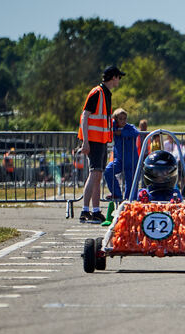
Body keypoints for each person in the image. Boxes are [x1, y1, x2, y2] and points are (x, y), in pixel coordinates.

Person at [77, 64, 124, 223]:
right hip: (94, 141)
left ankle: (96, 210)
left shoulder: (106, 93)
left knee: (98, 176)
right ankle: (85, 210)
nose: (119, 80)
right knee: (94, 173)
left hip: (101, 140)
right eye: (118, 77)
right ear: (113, 77)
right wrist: (85, 142)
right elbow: (85, 116)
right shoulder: (97, 92)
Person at [103, 108, 138, 201]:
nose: (123, 121)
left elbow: (136, 133)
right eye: (120, 119)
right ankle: (117, 194)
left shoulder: (130, 127)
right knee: (108, 171)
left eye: (124, 118)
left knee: (130, 181)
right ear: (116, 119)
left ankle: (129, 200)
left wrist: (122, 132)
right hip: (119, 159)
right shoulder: (114, 128)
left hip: (131, 159)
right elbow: (109, 125)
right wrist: (114, 122)